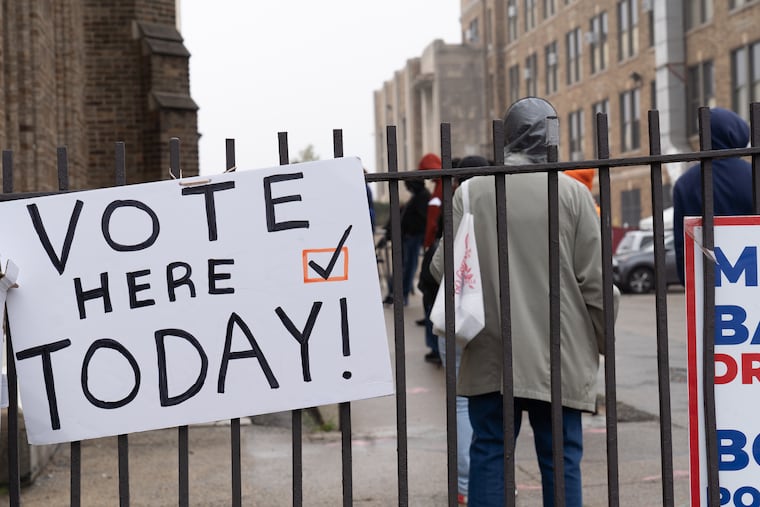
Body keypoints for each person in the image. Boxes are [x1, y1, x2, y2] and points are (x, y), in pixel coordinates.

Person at [431, 97, 615, 507]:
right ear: (552, 137)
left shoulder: (473, 191)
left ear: (508, 136)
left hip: (492, 346)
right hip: (560, 350)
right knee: (560, 459)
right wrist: (602, 342)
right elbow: (597, 282)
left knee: (490, 452)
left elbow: (444, 269)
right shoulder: (573, 193)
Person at [673, 107, 754, 285]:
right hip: (753, 276)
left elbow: (681, 247)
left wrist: (688, 282)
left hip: (706, 280)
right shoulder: (753, 176)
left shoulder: (685, 184)